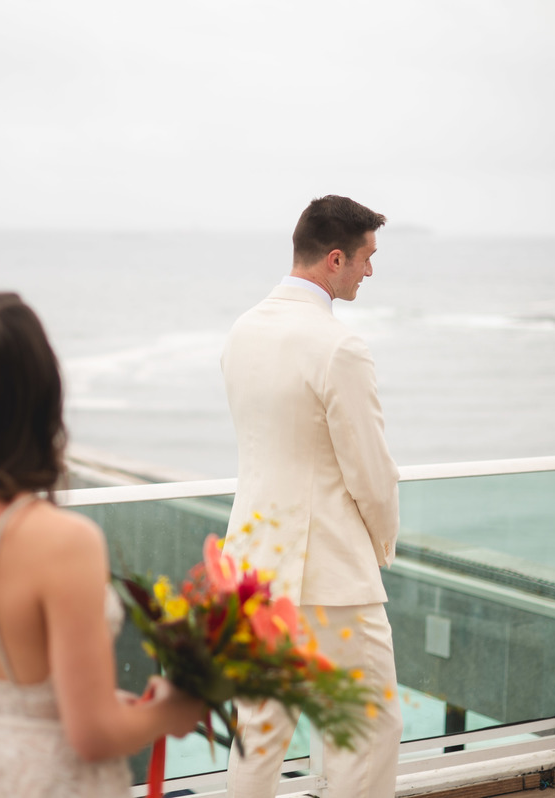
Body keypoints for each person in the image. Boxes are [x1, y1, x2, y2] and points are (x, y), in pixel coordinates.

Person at [0, 292, 204, 797]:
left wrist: (44, 712)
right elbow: (92, 736)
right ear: (42, 400)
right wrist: (176, 710)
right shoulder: (63, 541)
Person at [220, 195, 404, 798]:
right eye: (366, 258)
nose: (369, 271)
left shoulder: (242, 331)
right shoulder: (338, 346)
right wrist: (379, 547)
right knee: (370, 730)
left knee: (260, 734)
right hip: (329, 575)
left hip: (252, 567)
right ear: (334, 258)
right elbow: (371, 473)